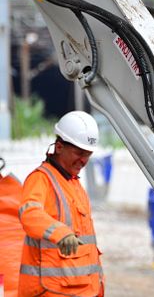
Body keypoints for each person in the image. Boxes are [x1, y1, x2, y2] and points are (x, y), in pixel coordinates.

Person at [18, 111, 104, 297]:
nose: (83, 160)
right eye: (79, 153)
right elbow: (29, 213)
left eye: (88, 154)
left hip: (81, 289)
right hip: (50, 290)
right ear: (59, 147)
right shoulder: (41, 179)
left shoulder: (73, 183)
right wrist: (61, 233)